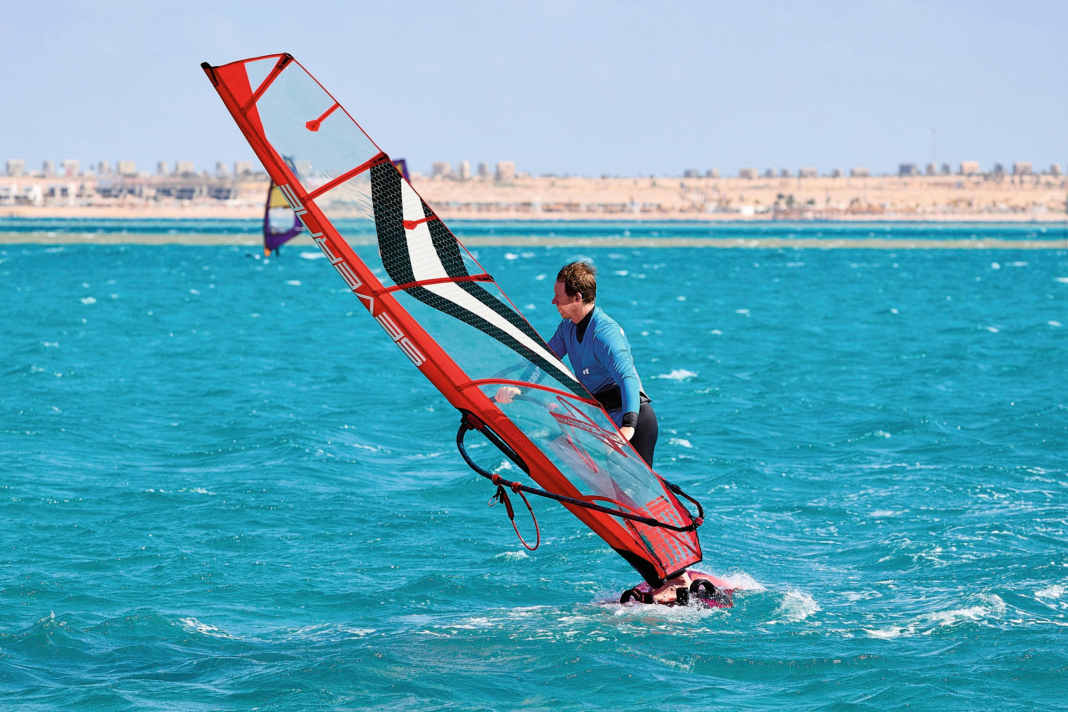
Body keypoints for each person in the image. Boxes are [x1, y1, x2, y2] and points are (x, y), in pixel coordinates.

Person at [502, 261, 659, 467]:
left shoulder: (605, 334)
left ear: (577, 298)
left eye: (559, 298)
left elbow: (627, 378)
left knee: (637, 495)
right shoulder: (567, 327)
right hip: (605, 420)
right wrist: (520, 389)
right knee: (615, 490)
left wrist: (627, 428)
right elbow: (546, 361)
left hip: (632, 422)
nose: (553, 302)